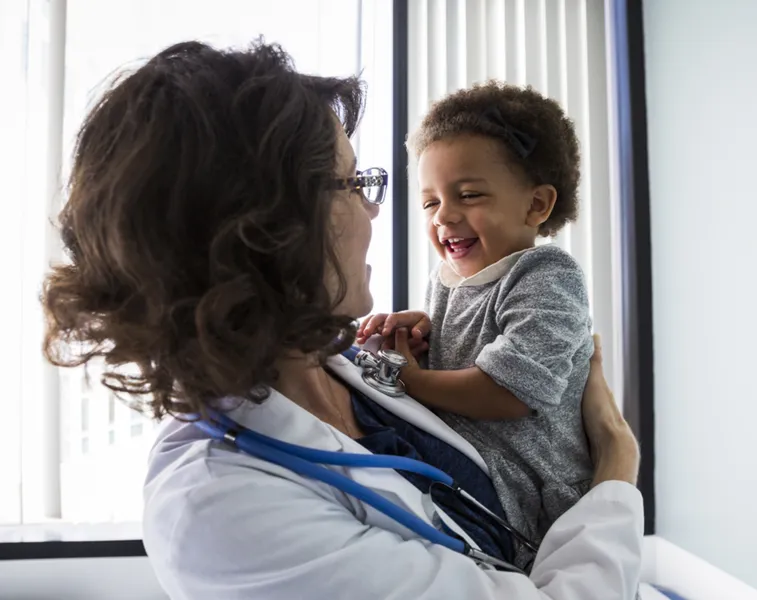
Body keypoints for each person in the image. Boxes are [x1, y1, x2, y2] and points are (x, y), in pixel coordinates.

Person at [41, 40, 643, 599]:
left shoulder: (342, 367)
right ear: (268, 225)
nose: (374, 210)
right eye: (354, 183)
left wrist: (424, 353)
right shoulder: (223, 511)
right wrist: (615, 476)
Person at [357, 83, 593, 569]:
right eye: (429, 202)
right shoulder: (447, 281)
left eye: (468, 194)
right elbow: (466, 340)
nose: (444, 215)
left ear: (536, 206)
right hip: (480, 470)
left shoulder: (547, 276)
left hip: (532, 495)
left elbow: (509, 391)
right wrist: (422, 332)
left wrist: (411, 379)